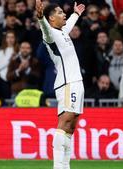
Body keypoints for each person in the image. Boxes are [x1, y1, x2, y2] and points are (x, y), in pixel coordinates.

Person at [36, 1, 85, 169]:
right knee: (65, 121)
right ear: (51, 18)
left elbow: (69, 22)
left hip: (76, 82)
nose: (63, 14)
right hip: (67, 82)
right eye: (59, 12)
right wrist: (40, 18)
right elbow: (44, 29)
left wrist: (76, 14)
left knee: (71, 127)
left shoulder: (63, 30)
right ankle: (58, 166)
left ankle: (65, 165)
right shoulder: (49, 34)